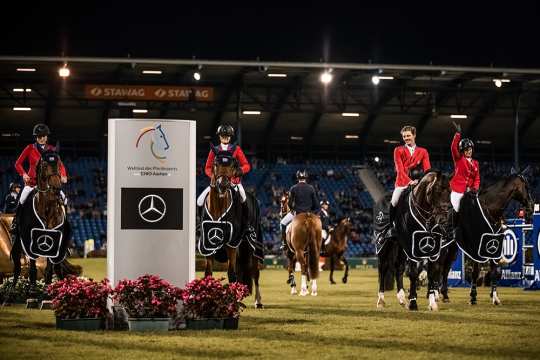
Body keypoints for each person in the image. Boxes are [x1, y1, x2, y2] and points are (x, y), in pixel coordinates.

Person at [11, 124, 68, 240]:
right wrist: (24, 174)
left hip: (48, 185)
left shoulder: (52, 149)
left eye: (43, 136)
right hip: (32, 183)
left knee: (64, 198)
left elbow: (60, 164)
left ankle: (65, 225)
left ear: (47, 137)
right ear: (36, 137)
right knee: (21, 199)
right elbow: (17, 163)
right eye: (39, 136)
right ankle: (15, 223)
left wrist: (63, 175)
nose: (41, 138)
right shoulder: (29, 148)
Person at [197, 124, 251, 207]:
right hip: (217, 182)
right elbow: (207, 168)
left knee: (243, 198)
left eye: (227, 136)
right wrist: (214, 176)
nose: (225, 138)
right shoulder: (214, 150)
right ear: (219, 136)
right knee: (199, 201)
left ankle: (245, 218)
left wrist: (240, 170)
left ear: (230, 137)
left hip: (233, 182)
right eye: (223, 136)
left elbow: (246, 165)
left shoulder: (236, 149)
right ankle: (201, 218)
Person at [390, 125, 431, 224]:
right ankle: (391, 226)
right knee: (394, 201)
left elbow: (427, 170)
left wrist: (421, 181)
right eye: (404, 136)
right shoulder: (398, 150)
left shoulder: (423, 151)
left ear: (414, 135)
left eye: (408, 135)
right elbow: (400, 170)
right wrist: (410, 182)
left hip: (418, 182)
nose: (406, 138)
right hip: (402, 183)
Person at [449, 121, 480, 234]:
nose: (469, 151)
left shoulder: (476, 163)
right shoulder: (458, 159)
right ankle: (455, 230)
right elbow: (453, 148)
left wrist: (474, 189)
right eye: (467, 150)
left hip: (470, 192)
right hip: (457, 191)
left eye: (470, 149)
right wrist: (457, 134)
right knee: (458, 209)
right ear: (463, 151)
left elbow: (477, 179)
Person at [279, 170, 320, 250]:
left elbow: (290, 204)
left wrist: (293, 209)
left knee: (282, 223)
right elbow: (317, 205)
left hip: (297, 213)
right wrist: (312, 213)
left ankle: (284, 243)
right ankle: (320, 246)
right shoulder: (311, 188)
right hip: (308, 214)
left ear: (297, 177)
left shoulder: (293, 188)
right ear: (306, 178)